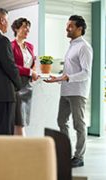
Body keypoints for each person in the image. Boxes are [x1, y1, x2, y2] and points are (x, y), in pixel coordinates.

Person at [45, 15, 93, 167]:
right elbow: (69, 72)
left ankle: (79, 156)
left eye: (70, 26)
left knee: (79, 125)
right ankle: (66, 152)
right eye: (67, 25)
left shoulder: (84, 47)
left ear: (80, 29)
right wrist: (57, 78)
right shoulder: (72, 45)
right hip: (66, 90)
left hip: (77, 92)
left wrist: (66, 78)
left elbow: (86, 73)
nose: (67, 28)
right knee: (61, 121)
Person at [11, 18, 38, 136]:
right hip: (17, 85)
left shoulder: (30, 46)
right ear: (16, 29)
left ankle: (17, 147)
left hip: (28, 85)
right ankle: (23, 149)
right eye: (24, 27)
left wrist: (34, 71)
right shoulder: (10, 46)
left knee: (22, 120)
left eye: (28, 27)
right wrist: (29, 71)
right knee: (19, 120)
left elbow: (33, 61)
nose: (27, 30)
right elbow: (12, 66)